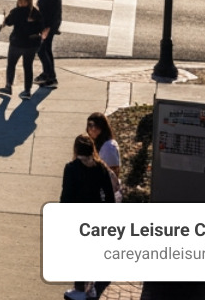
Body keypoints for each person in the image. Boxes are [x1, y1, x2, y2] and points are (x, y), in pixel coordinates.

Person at [60, 134, 116, 300]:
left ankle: (80, 288)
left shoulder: (71, 168)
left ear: (76, 150)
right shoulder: (101, 167)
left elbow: (67, 195)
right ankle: (91, 287)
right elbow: (109, 195)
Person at [0, 0, 42, 97]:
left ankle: (8, 86)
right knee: (28, 67)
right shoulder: (36, 13)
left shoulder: (16, 12)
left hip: (17, 43)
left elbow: (8, 22)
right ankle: (27, 91)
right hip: (31, 45)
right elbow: (41, 27)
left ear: (20, 1)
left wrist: (6, 18)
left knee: (11, 65)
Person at [86, 112, 122, 202]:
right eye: (88, 125)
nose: (89, 129)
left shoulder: (109, 147)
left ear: (100, 127)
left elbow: (113, 172)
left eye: (92, 125)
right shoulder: (97, 143)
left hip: (105, 194)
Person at [36, 0, 63, 88]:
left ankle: (50, 76)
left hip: (47, 27)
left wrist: (47, 28)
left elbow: (52, 14)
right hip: (48, 26)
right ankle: (47, 73)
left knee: (42, 50)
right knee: (46, 50)